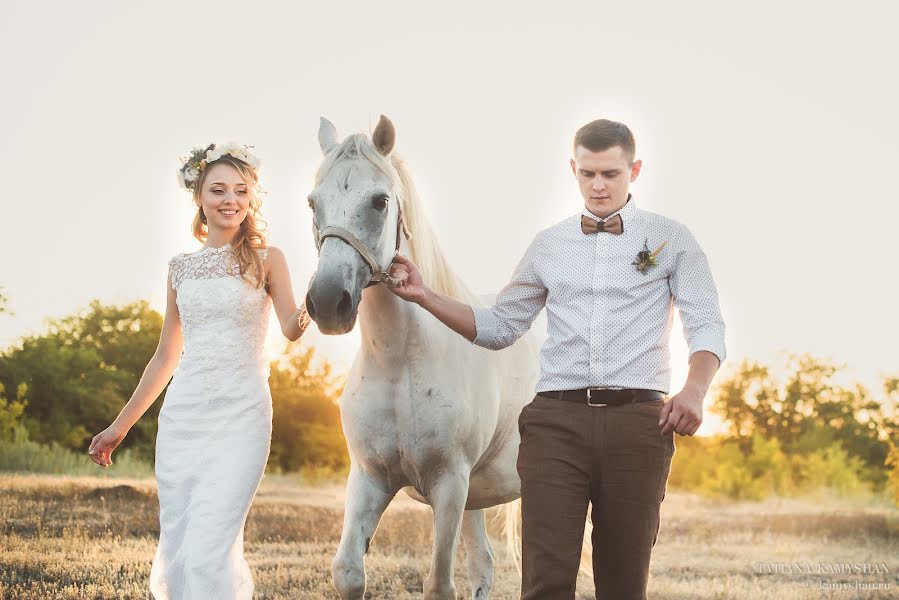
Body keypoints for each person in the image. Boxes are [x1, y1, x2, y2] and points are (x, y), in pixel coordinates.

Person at [387, 119, 726, 599]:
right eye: (587, 173)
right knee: (545, 581)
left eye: (610, 173)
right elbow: (500, 326)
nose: (598, 184)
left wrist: (695, 388)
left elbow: (707, 323)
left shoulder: (672, 240)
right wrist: (424, 296)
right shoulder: (548, 245)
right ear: (573, 169)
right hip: (555, 422)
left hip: (638, 424)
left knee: (624, 583)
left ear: (636, 170)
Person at [88, 142, 312, 599]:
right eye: (218, 190)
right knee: (185, 547)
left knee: (211, 542)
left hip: (243, 417)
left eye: (240, 190)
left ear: (251, 199)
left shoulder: (269, 260)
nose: (230, 199)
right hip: (184, 420)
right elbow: (165, 357)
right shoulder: (180, 270)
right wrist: (118, 426)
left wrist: (320, 296)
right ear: (198, 197)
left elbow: (290, 327)